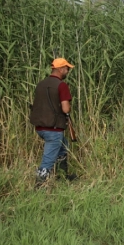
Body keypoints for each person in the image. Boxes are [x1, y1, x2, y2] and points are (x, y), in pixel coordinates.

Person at [29, 58, 77, 186]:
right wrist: (69, 109)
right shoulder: (61, 85)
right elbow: (66, 108)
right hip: (53, 128)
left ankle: (62, 176)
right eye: (67, 68)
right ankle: (40, 185)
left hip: (40, 127)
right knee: (48, 158)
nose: (67, 71)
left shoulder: (41, 84)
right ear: (60, 69)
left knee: (63, 146)